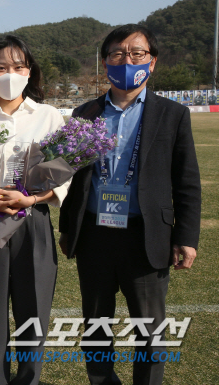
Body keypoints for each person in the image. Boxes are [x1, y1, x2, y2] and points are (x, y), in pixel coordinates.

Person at [58, 24, 201, 385]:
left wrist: (186, 237)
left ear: (151, 63)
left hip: (146, 235)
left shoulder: (173, 115)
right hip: (94, 234)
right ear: (105, 62)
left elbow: (186, 182)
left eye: (137, 53)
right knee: (96, 323)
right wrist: (67, 229)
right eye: (118, 54)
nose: (127, 60)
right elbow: (72, 178)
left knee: (150, 330)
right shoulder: (84, 113)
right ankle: (102, 380)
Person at [0, 35, 70, 385]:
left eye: (18, 66)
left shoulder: (50, 116)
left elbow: (67, 174)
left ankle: (28, 380)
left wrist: (33, 199)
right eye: (1, 67)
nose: (10, 73)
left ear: (30, 71)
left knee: (33, 311)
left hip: (33, 222)